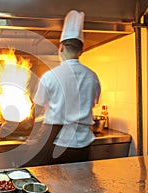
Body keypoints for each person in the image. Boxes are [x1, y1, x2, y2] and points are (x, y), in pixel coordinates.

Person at [30, 10, 101, 165]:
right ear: (81, 50)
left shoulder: (50, 76)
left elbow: (37, 109)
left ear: (60, 47)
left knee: (57, 184)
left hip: (57, 143)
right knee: (81, 183)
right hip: (83, 144)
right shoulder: (92, 76)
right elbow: (94, 102)